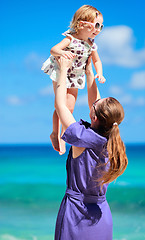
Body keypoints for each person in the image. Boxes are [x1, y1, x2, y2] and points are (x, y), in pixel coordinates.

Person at [53, 55, 128, 240]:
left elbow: (61, 105)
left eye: (94, 106)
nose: (93, 102)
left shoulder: (82, 137)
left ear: (95, 117)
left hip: (76, 213)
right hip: (101, 215)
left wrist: (63, 71)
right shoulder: (112, 138)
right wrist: (88, 72)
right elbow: (97, 105)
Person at [41, 5, 106, 155]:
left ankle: (65, 134)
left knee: (69, 108)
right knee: (60, 105)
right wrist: (63, 53)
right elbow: (54, 50)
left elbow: (97, 61)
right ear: (81, 24)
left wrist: (100, 74)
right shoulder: (70, 38)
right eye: (96, 25)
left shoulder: (91, 45)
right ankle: (55, 133)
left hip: (76, 76)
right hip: (61, 71)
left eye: (101, 26)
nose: (98, 29)